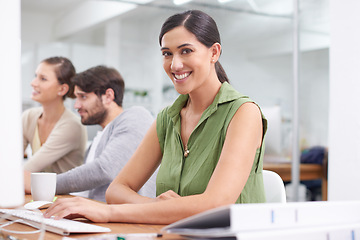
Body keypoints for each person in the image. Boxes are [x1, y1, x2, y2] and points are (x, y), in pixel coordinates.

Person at [45, 10, 267, 224]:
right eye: (167, 53)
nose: (175, 64)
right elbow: (117, 190)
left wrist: (109, 212)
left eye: (186, 51)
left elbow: (215, 204)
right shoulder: (167, 119)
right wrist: (160, 207)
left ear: (214, 52)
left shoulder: (243, 112)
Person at [50, 65, 155, 202]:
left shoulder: (136, 116)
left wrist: (46, 184)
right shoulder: (98, 140)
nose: (76, 105)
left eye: (83, 97)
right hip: (98, 217)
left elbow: (104, 170)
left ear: (108, 96)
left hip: (127, 219)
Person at [23, 57, 87, 191]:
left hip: (66, 199)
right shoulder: (29, 117)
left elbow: (28, 170)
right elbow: (8, 160)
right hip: (38, 195)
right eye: (36, 76)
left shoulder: (71, 126)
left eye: (43, 79)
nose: (33, 83)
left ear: (62, 89)